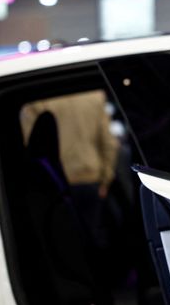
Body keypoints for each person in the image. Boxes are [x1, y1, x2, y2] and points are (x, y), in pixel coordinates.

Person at [21, 89, 120, 251]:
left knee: (64, 243)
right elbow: (110, 144)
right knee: (92, 239)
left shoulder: (38, 101)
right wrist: (105, 181)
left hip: (55, 184)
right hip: (90, 179)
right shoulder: (94, 96)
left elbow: (30, 147)